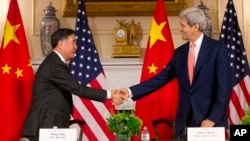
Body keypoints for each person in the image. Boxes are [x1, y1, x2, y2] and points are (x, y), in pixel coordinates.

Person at [117, 7, 233, 139]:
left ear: (195, 26)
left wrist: (213, 118)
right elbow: (160, 78)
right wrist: (130, 91)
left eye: (183, 25)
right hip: (184, 121)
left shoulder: (217, 49)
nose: (180, 29)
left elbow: (224, 87)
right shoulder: (180, 53)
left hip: (209, 121)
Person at [22, 28, 125, 141]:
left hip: (51, 123)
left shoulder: (55, 62)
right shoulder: (55, 64)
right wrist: (110, 95)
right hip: (47, 123)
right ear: (61, 44)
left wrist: (111, 92)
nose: (76, 47)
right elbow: (77, 88)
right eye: (73, 42)